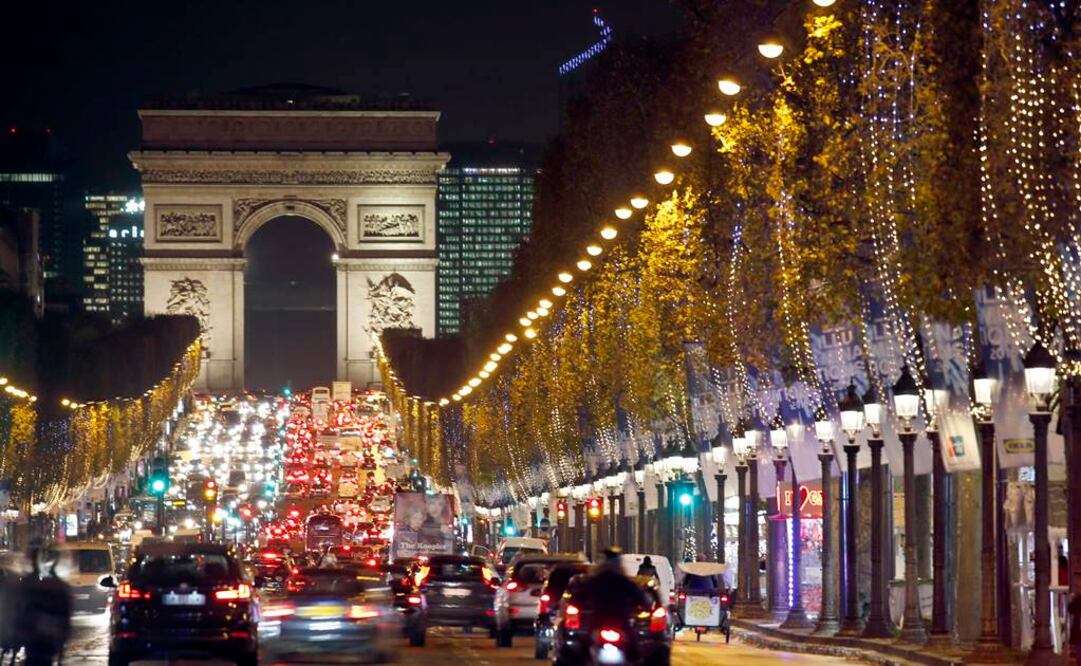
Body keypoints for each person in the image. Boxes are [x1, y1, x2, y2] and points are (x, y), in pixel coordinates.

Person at [576, 548, 647, 627]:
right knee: (632, 637)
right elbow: (639, 597)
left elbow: (580, 596)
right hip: (619, 620)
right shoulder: (623, 581)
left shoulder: (596, 581)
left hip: (600, 620)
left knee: (587, 637)